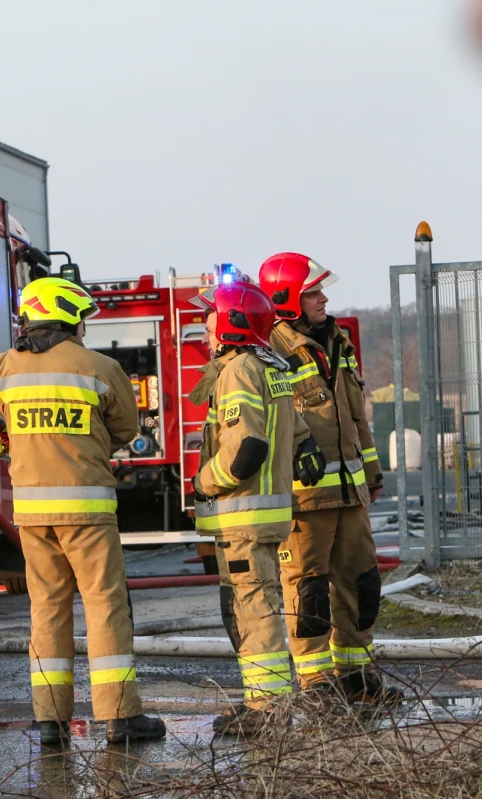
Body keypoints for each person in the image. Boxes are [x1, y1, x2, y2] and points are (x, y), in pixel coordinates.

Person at [0, 276, 166, 747]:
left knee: (46, 610)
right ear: (66, 317)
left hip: (32, 515)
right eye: (81, 320)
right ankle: (119, 718)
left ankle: (50, 722)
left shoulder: (1, 367)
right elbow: (125, 429)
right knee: (104, 606)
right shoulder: (100, 367)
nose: (84, 328)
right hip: (87, 511)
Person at [258, 252, 400, 706]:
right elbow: (269, 423)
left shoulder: (338, 341)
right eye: (313, 292)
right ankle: (316, 684)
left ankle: (356, 676)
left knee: (361, 582)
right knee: (309, 591)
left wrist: (371, 472)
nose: (323, 299)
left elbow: (356, 415)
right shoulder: (270, 350)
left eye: (321, 291)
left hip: (350, 493)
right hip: (304, 498)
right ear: (286, 299)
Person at [189, 281, 325, 734]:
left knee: (253, 609)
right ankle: (266, 703)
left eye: (210, 320)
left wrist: (203, 482)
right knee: (259, 603)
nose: (204, 330)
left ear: (231, 323)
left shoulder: (238, 370)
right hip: (267, 516)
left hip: (243, 515)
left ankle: (267, 710)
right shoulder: (270, 366)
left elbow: (245, 448)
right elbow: (299, 433)